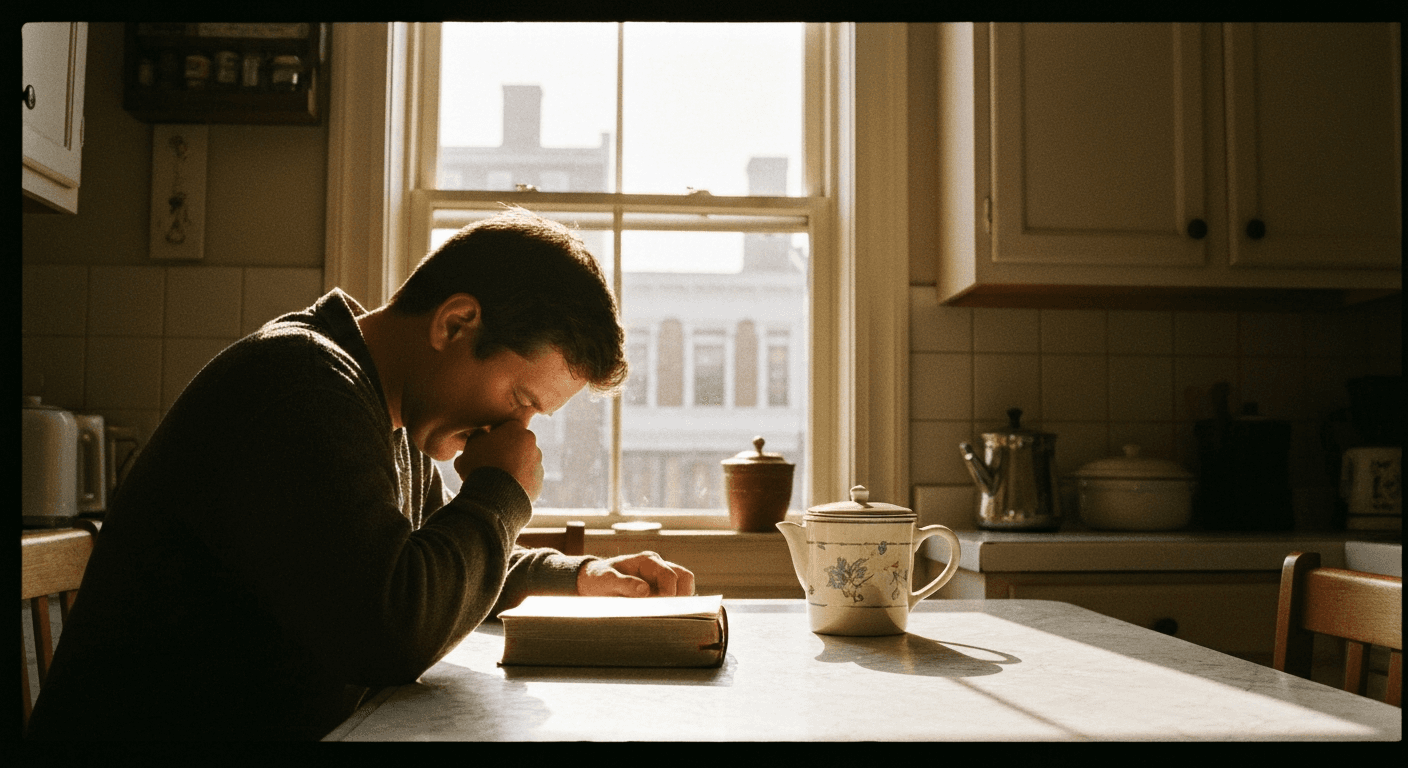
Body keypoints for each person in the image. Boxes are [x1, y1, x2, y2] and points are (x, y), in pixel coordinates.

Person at [26, 207, 694, 741]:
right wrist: (501, 492)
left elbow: (438, 567)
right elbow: (390, 631)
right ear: (456, 324)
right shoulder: (302, 386)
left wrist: (579, 577)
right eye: (523, 401)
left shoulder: (385, 413)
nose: (519, 432)